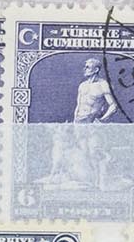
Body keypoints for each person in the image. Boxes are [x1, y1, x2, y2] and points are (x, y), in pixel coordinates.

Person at [47, 55, 119, 187]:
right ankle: (88, 182)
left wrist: (102, 120)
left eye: (88, 67)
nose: (85, 69)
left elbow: (113, 106)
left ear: (96, 69)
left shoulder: (103, 85)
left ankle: (100, 183)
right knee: (83, 152)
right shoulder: (82, 85)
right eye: (85, 67)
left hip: (92, 125)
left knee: (93, 152)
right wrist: (75, 123)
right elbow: (78, 106)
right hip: (79, 124)